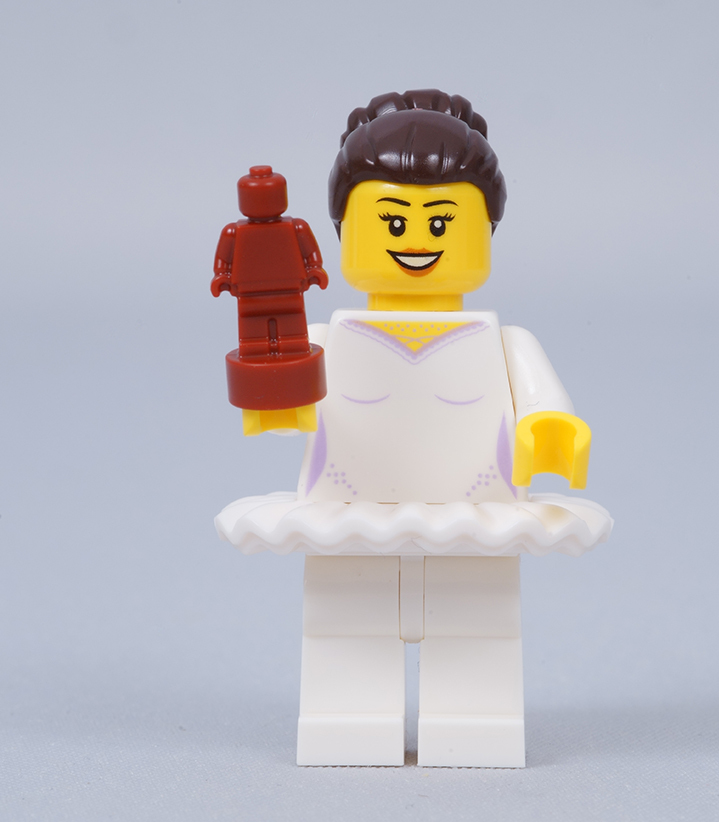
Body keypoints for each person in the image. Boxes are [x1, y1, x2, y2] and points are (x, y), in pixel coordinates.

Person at [214, 90, 612, 768]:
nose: (418, 239)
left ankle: (475, 723)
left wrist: (548, 429)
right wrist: (273, 394)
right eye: (392, 221)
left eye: (443, 220)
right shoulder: (328, 338)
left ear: (485, 230)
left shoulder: (503, 342)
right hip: (347, 512)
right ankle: (347, 721)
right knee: (346, 621)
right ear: (345, 232)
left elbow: (545, 404)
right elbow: (283, 405)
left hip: (479, 515)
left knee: (476, 623)